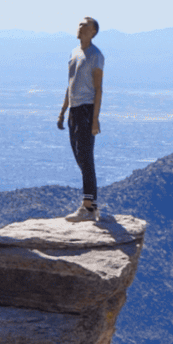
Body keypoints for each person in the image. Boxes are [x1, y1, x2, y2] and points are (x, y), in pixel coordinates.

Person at [57, 16, 104, 221]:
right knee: (79, 156)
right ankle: (91, 203)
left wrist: (95, 119)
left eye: (85, 25)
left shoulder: (95, 55)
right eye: (79, 24)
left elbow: (98, 89)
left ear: (93, 31)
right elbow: (70, 85)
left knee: (85, 156)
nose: (80, 27)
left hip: (86, 109)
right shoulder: (74, 53)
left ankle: (87, 207)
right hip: (74, 110)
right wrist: (62, 111)